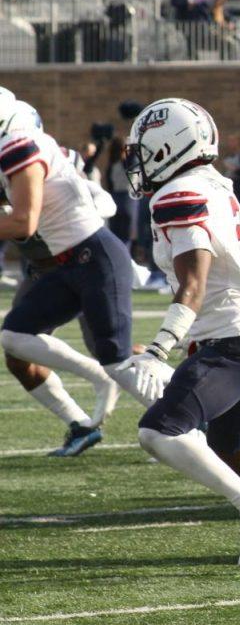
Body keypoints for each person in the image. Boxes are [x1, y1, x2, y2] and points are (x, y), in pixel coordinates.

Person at [123, 98, 240, 568]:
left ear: (167, 148)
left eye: (144, 150)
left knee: (159, 432)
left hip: (231, 339)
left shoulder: (177, 195)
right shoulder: (214, 184)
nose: (139, 161)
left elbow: (193, 285)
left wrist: (159, 349)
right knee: (232, 445)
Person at [0, 90, 156, 456]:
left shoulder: (23, 148)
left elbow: (26, 219)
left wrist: (90, 200)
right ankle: (80, 421)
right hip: (51, 265)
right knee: (16, 345)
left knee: (113, 355)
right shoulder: (25, 149)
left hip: (85, 258)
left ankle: (189, 412)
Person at [222, 133, 240, 217]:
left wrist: (234, 169)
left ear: (239, 142)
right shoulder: (229, 157)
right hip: (230, 188)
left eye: (232, 140)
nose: (230, 143)